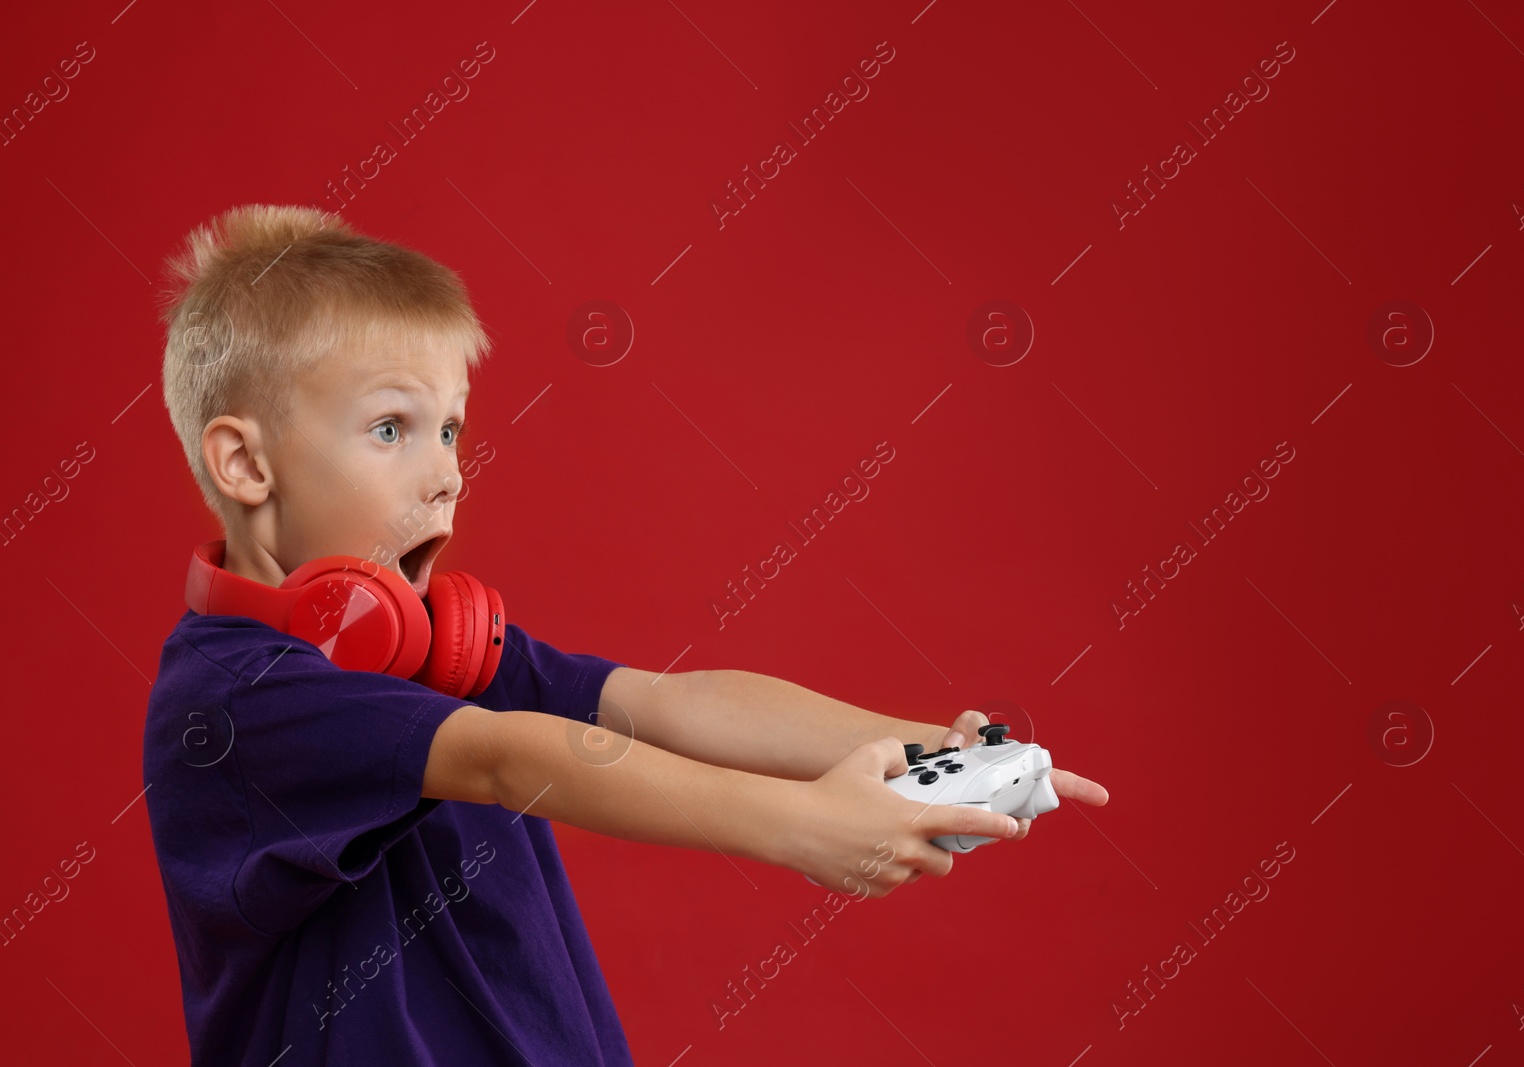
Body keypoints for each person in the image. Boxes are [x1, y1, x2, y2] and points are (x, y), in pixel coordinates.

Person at [144, 204, 1109, 1064]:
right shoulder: (236, 699)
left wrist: (927, 748)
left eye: (452, 431)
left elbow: (668, 701)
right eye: (391, 428)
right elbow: (504, 760)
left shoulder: (438, 646)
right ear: (245, 463)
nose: (445, 473)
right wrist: (803, 826)